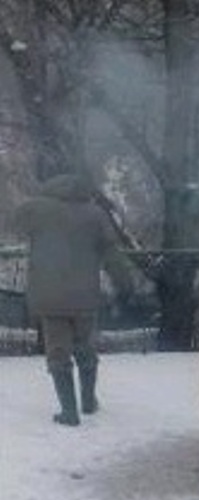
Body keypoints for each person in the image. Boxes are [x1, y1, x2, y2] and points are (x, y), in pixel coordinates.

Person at [15, 174, 121, 426]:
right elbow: (112, 253)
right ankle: (87, 401)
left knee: (58, 353)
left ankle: (69, 412)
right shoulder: (95, 214)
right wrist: (127, 286)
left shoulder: (39, 209)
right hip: (85, 295)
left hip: (50, 297)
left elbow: (15, 220)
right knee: (86, 348)